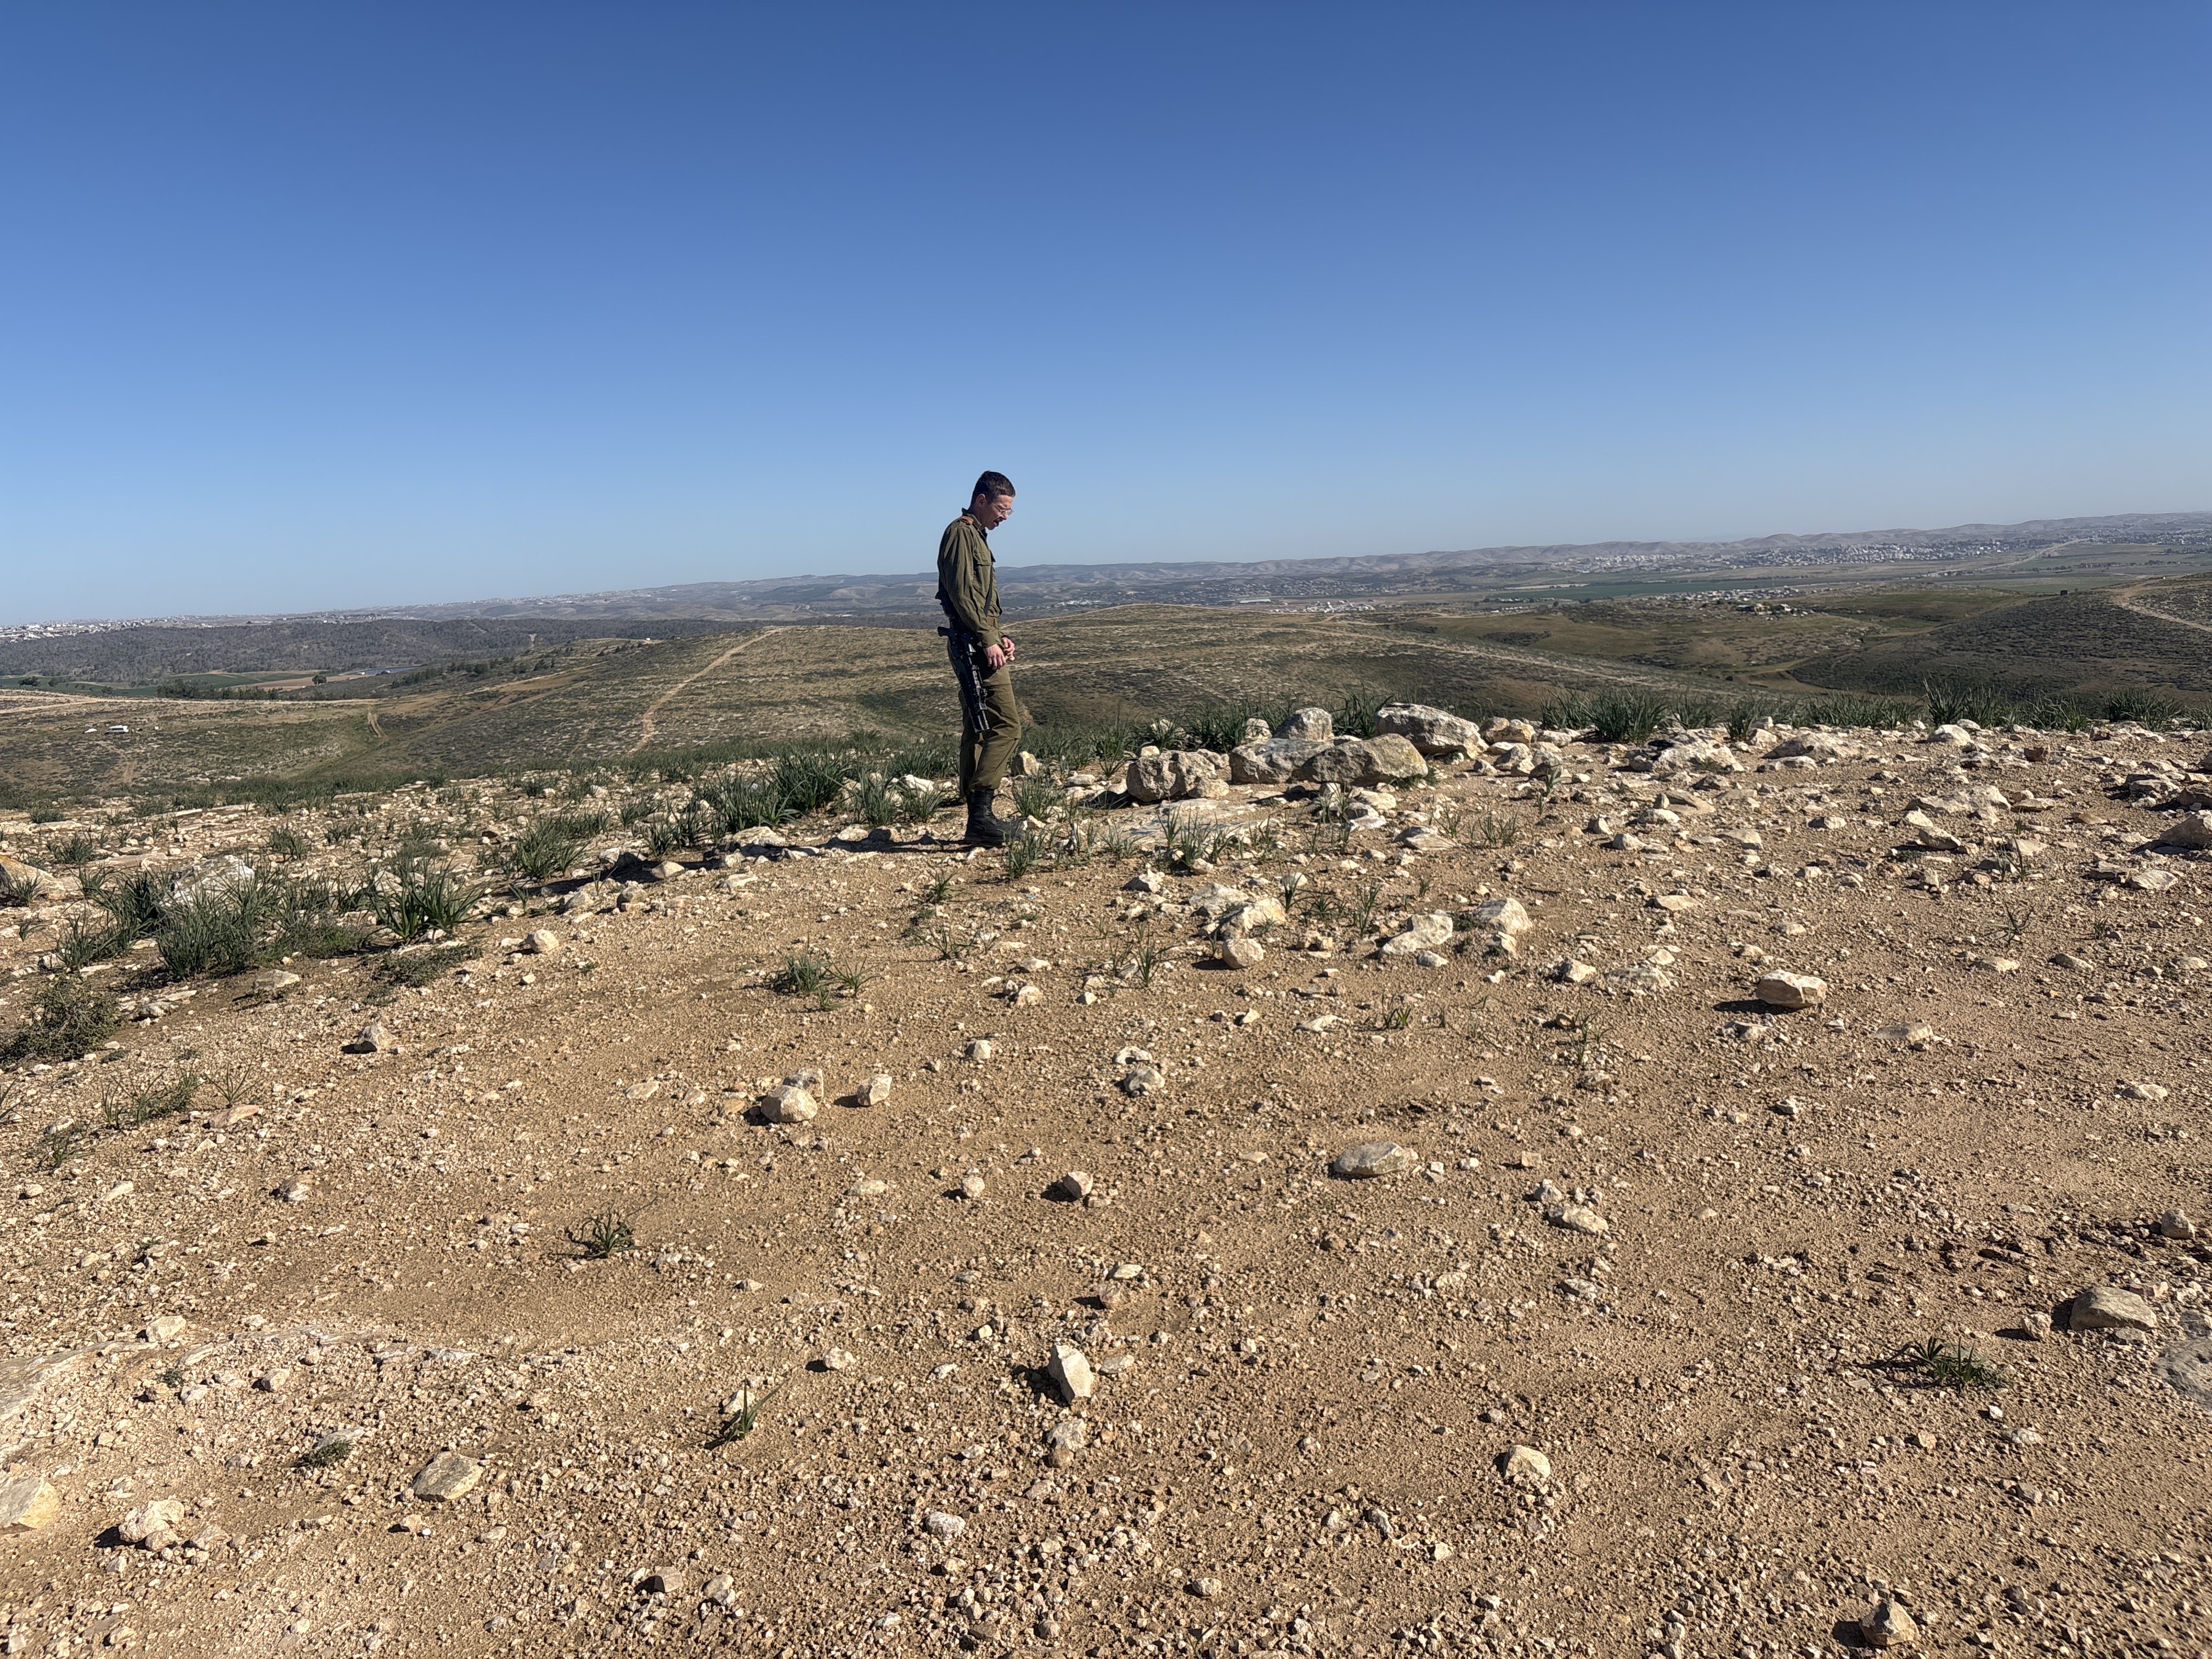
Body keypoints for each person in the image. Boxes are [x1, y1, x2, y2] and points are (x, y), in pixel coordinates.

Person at [937, 471, 1022, 847]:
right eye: (1002, 509)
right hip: (973, 644)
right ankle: (982, 814)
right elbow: (961, 595)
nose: (1005, 517)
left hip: (979, 639)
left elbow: (978, 598)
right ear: (982, 500)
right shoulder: (961, 534)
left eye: (1009, 511)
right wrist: (988, 639)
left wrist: (998, 635)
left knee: (978, 725)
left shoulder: (975, 536)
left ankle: (976, 816)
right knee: (1008, 727)